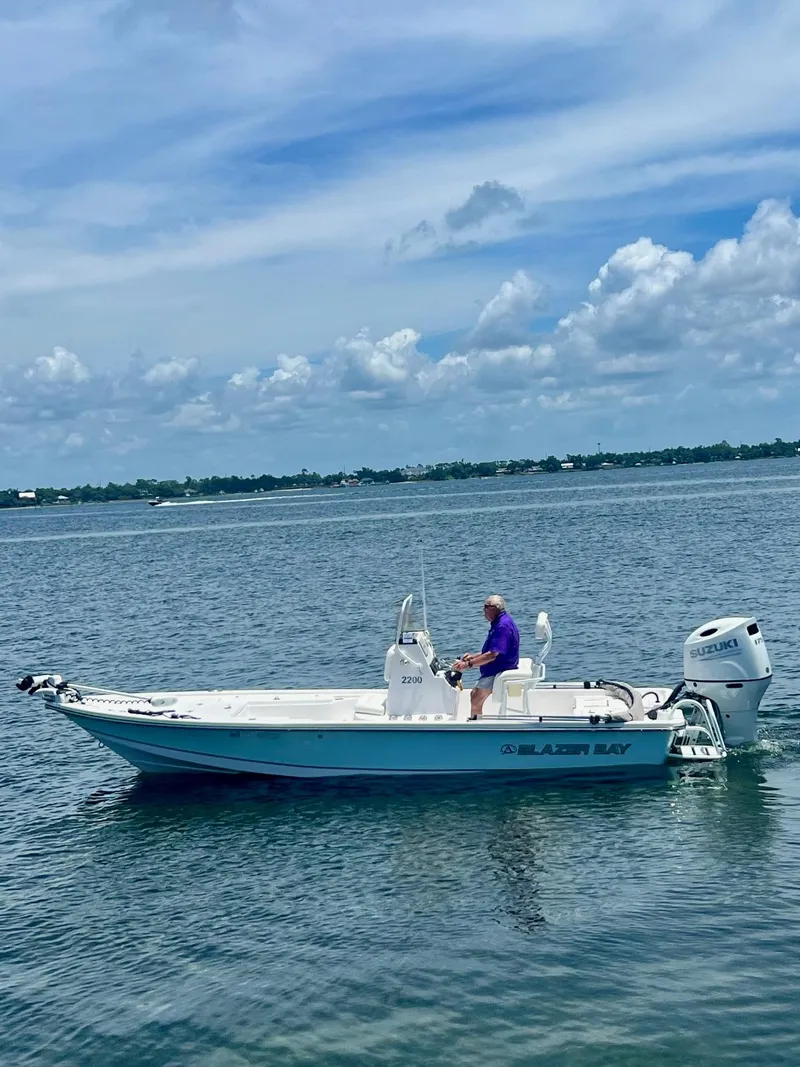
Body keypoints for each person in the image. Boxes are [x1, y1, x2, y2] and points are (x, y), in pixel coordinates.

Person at [453, 595, 520, 719]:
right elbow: (493, 650)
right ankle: (477, 720)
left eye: (485, 607)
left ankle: (476, 725)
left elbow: (492, 655)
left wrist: (468, 664)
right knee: (475, 695)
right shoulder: (500, 622)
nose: (483, 611)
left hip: (499, 668)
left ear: (493, 609)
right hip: (499, 664)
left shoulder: (502, 626)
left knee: (475, 697)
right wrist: (473, 656)